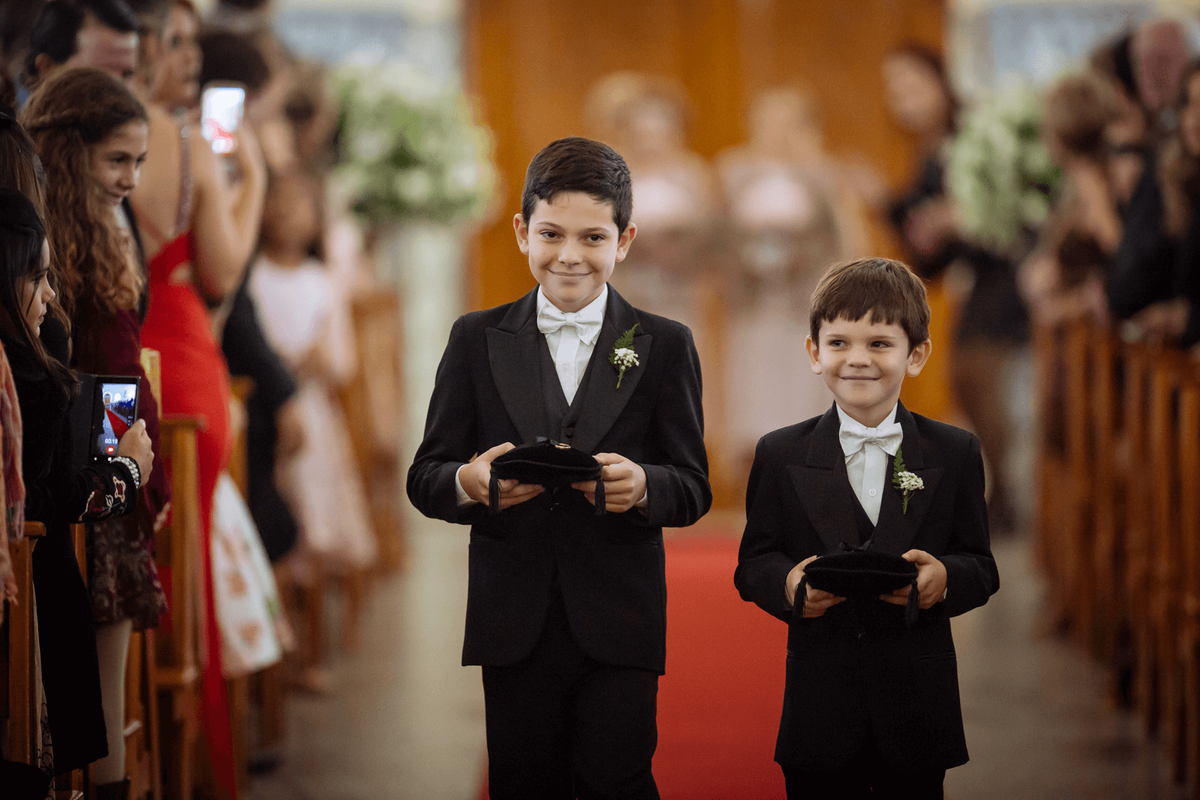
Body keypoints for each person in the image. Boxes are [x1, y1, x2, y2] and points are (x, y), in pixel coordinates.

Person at [407, 136, 711, 798]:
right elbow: (426, 473)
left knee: (618, 779)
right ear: (522, 231)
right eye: (551, 233)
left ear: (624, 240)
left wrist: (645, 486)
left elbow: (692, 487)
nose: (570, 255)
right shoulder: (474, 338)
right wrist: (469, 482)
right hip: (513, 616)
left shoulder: (663, 345)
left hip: (620, 618)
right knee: (523, 780)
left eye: (593, 238)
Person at [734, 257, 999, 799]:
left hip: (916, 709)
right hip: (820, 711)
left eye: (879, 343)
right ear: (814, 352)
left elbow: (982, 565)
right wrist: (787, 586)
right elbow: (754, 563)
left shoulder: (954, 451)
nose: (857, 360)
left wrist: (943, 578)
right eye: (839, 343)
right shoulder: (780, 453)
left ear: (917, 354)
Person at [20, 66, 167, 797]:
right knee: (84, 680)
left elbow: (122, 382)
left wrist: (136, 475)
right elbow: (115, 385)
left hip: (102, 454)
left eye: (139, 161)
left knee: (104, 669)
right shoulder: (35, 242)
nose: (130, 179)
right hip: (78, 466)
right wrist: (130, 479)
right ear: (69, 150)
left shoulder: (103, 234)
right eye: (118, 159)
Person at [0, 188, 154, 778]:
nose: (49, 297)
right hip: (31, 582)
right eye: (36, 278)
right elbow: (47, 498)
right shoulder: (32, 372)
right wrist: (128, 470)